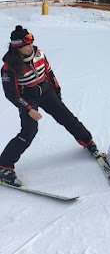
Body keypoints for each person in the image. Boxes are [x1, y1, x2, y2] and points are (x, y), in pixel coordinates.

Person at [0, 25, 98, 184]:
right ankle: (4, 165)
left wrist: (57, 92)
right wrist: (28, 109)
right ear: (17, 47)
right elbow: (11, 94)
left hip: (45, 91)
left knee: (67, 117)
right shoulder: (8, 67)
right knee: (29, 132)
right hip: (28, 97)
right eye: (26, 45)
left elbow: (50, 74)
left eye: (31, 44)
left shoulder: (39, 54)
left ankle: (88, 141)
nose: (30, 47)